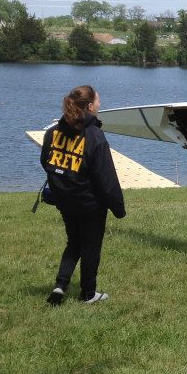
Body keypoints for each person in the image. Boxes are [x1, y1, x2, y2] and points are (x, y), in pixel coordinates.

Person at [41, 85, 126, 305]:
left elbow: (46, 162)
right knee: (90, 247)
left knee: (74, 242)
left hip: (64, 200)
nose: (100, 104)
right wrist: (118, 208)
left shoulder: (53, 132)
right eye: (98, 101)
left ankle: (60, 286)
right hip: (90, 203)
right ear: (89, 107)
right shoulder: (94, 135)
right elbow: (106, 178)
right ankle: (88, 294)